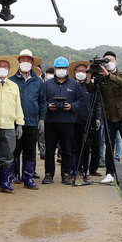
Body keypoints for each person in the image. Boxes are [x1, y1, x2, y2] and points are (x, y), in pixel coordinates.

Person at [87, 51, 122, 189]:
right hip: (109, 118)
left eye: (110, 60)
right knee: (108, 148)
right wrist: (89, 75)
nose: (108, 63)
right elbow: (91, 89)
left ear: (116, 62)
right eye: (106, 61)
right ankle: (110, 173)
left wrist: (108, 75)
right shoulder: (101, 78)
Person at [0, 55, 24, 193]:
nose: (2, 68)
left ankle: (4, 184)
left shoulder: (14, 86)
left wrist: (19, 123)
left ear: (9, 69)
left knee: (7, 156)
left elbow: (18, 105)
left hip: (8, 126)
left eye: (5, 66)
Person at [9, 49, 46, 190]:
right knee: (15, 149)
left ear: (32, 63)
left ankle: (28, 178)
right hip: (14, 121)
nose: (25, 62)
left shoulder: (37, 81)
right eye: (23, 60)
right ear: (18, 62)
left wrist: (42, 119)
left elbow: (42, 101)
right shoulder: (12, 79)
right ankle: (15, 175)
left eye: (28, 60)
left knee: (30, 150)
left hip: (31, 122)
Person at [42, 57, 82, 185]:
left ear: (67, 69)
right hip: (51, 122)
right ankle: (48, 174)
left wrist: (71, 106)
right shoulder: (47, 84)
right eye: (58, 68)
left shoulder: (74, 84)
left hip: (68, 122)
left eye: (63, 68)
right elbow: (42, 101)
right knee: (49, 150)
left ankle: (66, 174)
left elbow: (80, 102)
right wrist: (48, 106)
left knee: (67, 149)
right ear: (54, 69)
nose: (61, 70)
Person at [68, 60, 100, 182]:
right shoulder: (71, 85)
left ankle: (86, 171)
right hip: (72, 120)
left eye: (84, 71)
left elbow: (97, 103)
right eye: (79, 71)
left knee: (86, 147)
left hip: (87, 122)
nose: (82, 73)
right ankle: (73, 170)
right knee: (73, 147)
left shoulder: (90, 87)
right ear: (74, 72)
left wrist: (97, 118)